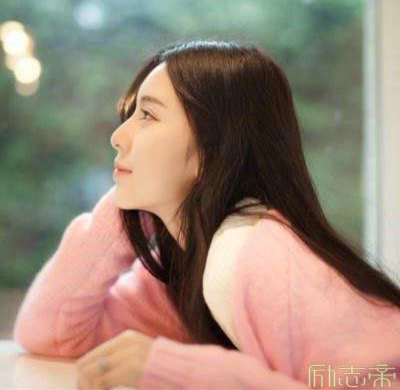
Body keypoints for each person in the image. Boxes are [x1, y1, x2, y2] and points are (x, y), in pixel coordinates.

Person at [13, 40, 400, 389]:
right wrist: (134, 205)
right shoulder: (186, 261)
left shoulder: (259, 253)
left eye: (147, 115)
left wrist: (188, 373)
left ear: (212, 149)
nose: (118, 136)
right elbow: (52, 335)